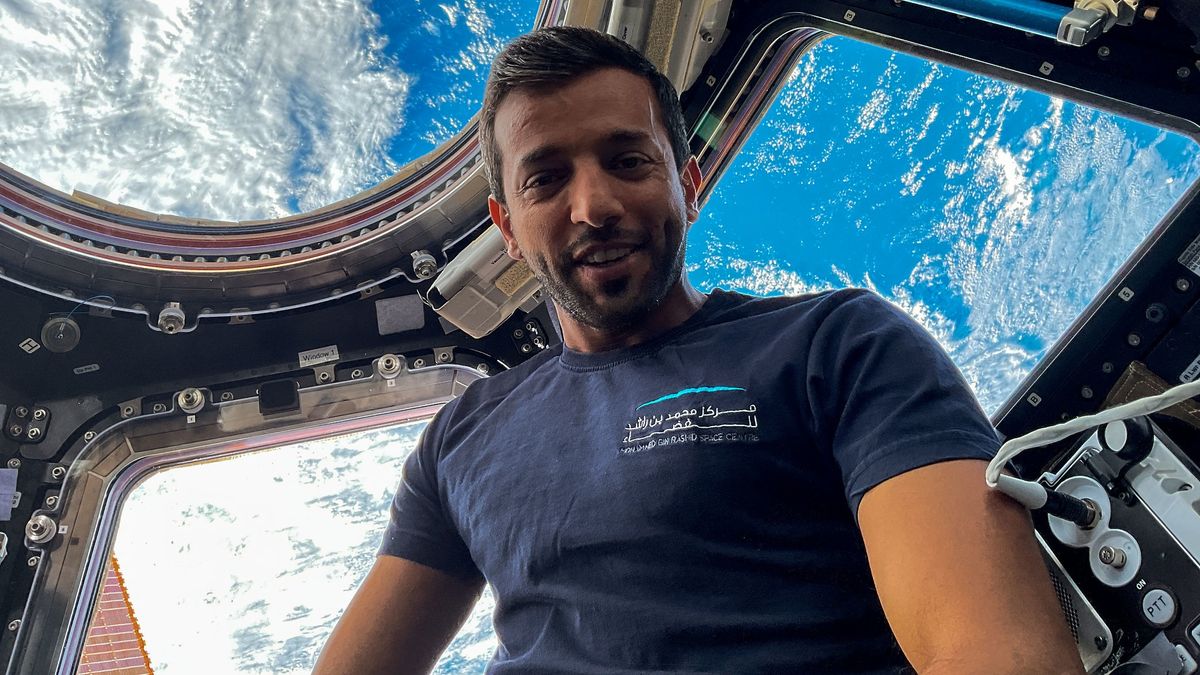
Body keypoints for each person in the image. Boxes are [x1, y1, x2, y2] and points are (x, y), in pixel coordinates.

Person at [315, 26, 1082, 674]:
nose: (594, 206)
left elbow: (996, 654)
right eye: (546, 179)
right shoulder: (458, 440)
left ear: (686, 183)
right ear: (508, 226)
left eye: (627, 160)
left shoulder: (838, 344)